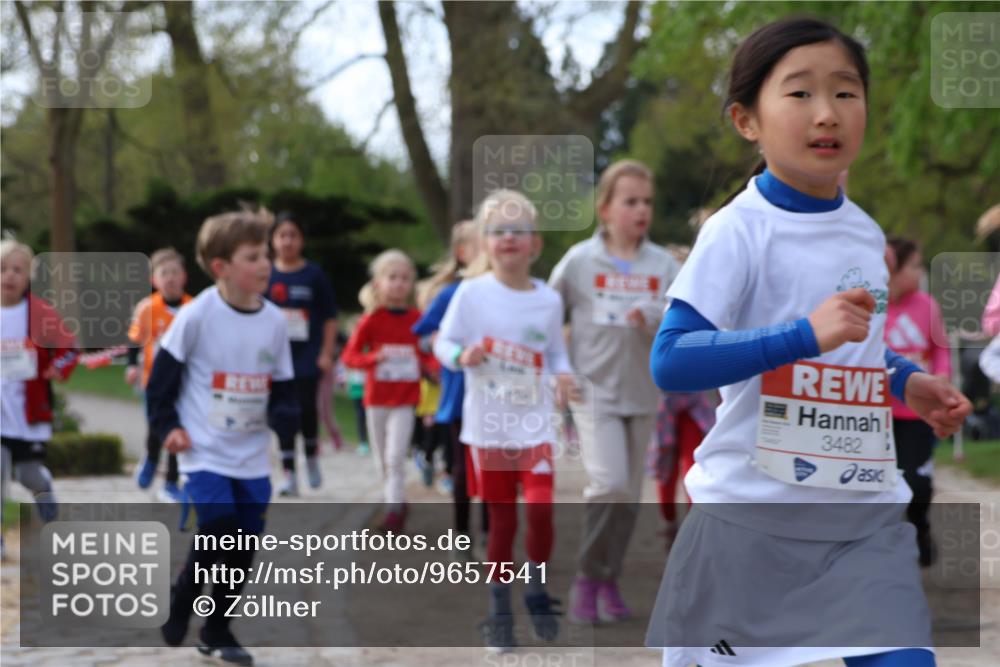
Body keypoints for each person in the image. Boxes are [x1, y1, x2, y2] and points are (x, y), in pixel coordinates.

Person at [645, 18, 971, 667]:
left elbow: (854, 346)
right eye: (799, 93)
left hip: (860, 519)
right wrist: (800, 335)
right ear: (747, 120)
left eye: (846, 92)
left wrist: (905, 379)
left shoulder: (865, 234)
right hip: (751, 521)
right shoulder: (736, 231)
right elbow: (671, 359)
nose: (827, 112)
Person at [147, 207, 299, 666]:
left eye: (265, 255)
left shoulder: (275, 321)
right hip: (203, 450)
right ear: (221, 267)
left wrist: (285, 420)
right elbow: (160, 384)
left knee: (243, 546)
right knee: (218, 528)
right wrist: (168, 428)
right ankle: (183, 595)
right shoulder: (197, 316)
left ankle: (217, 629)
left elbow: (284, 388)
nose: (265, 264)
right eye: (253, 257)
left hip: (251, 456)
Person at [435, 189, 576, 652]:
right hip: (488, 428)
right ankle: (499, 611)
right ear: (484, 242)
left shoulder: (548, 300)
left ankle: (535, 587)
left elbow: (555, 352)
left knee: (540, 508)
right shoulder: (472, 294)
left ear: (535, 242)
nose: (508, 238)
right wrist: (461, 354)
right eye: (498, 230)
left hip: (534, 425)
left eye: (518, 230)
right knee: (502, 522)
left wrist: (564, 375)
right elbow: (442, 343)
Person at [547, 159, 680, 623]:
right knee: (609, 485)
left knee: (629, 496)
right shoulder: (579, 261)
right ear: (605, 209)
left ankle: (609, 578)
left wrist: (655, 316)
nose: (641, 210)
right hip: (593, 392)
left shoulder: (663, 264)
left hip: (644, 392)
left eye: (647, 202)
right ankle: (587, 578)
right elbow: (547, 314)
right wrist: (558, 371)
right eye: (630, 201)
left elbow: (681, 320)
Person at [341, 249, 436, 532]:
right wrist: (374, 358)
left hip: (405, 400)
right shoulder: (371, 320)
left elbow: (429, 354)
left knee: (395, 457)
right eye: (392, 277)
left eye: (405, 278)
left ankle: (393, 513)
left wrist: (429, 368)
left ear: (411, 284)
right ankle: (397, 500)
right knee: (381, 460)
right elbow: (350, 356)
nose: (398, 284)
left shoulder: (418, 320)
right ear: (379, 283)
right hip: (376, 399)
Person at [412, 220, 489, 558]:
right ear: (462, 252)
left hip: (498, 397)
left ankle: (490, 535)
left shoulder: (505, 292)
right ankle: (462, 537)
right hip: (459, 395)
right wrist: (444, 349)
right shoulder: (451, 294)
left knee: (493, 470)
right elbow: (422, 334)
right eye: (481, 243)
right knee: (462, 469)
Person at [1, 240, 78, 559]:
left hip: (28, 412)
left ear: (28, 276)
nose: (9, 275)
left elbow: (69, 348)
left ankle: (43, 491)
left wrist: (57, 367)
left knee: (28, 475)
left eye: (17, 270)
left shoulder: (39, 313)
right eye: (2, 269)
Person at [885, 235, 951, 566]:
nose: (920, 271)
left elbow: (940, 348)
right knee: (879, 486)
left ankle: (920, 528)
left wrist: (941, 376)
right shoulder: (871, 306)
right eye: (913, 265)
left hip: (917, 412)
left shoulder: (927, 306)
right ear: (892, 268)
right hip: (879, 415)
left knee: (917, 483)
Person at [647, 244, 717, 545]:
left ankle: (690, 526)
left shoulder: (713, 296)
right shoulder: (664, 300)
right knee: (665, 462)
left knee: (693, 460)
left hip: (698, 398)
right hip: (664, 399)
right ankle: (668, 521)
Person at [266, 212, 338, 496]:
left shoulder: (314, 275)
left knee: (307, 409)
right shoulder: (265, 274)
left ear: (302, 240)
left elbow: (330, 318)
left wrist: (326, 353)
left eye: (293, 235)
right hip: (274, 358)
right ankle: (288, 473)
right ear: (273, 240)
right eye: (282, 235)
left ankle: (311, 457)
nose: (287, 241)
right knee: (282, 413)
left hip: (307, 356)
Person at [127, 247, 192, 502]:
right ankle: (151, 459)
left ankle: (171, 483)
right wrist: (132, 366)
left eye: (175, 273)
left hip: (184, 383)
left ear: (184, 276)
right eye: (165, 273)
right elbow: (134, 340)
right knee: (156, 427)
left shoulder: (193, 308)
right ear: (154, 280)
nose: (171, 278)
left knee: (177, 429)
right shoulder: (147, 308)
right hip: (153, 382)